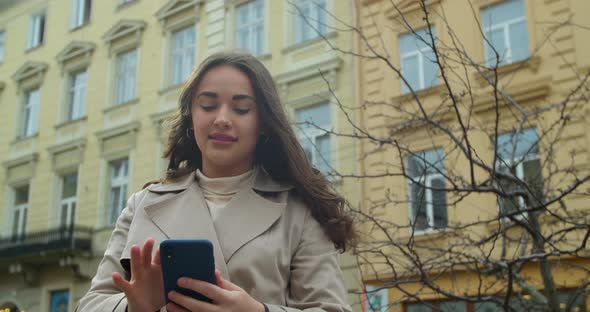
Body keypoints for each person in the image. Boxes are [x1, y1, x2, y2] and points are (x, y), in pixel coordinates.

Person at [77, 52, 355, 312]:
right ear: (191, 116)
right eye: (208, 105)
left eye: (242, 108)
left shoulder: (298, 209)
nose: (222, 119)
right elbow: (91, 303)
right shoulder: (143, 204)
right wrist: (132, 307)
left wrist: (258, 311)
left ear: (264, 123)